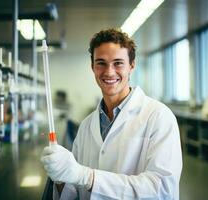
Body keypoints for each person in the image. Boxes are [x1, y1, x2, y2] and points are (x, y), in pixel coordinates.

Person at [41, 28, 182, 199]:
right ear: (92, 67)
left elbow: (162, 189)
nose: (109, 71)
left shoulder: (159, 117)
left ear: (132, 65)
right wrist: (61, 177)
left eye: (118, 63)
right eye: (101, 62)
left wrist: (88, 177)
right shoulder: (86, 126)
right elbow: (75, 189)